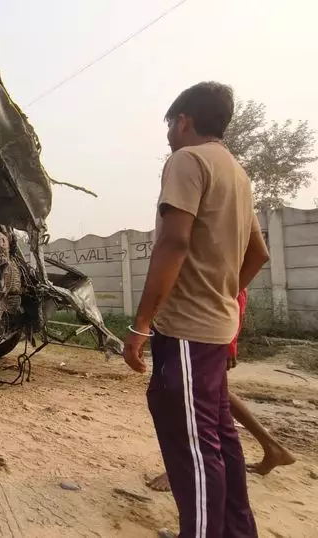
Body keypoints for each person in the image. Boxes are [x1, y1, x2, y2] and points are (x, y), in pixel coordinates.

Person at [123, 82, 271, 538]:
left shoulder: (187, 160)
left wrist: (142, 324)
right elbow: (258, 254)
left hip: (186, 329)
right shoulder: (237, 173)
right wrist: (225, 293)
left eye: (171, 123)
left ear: (183, 120)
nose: (169, 132)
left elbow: (174, 240)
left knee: (194, 447)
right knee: (219, 439)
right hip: (212, 327)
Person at [145, 288, 296, 492]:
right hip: (201, 315)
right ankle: (272, 447)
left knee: (187, 393)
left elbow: (234, 282)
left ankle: (183, 467)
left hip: (210, 318)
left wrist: (229, 343)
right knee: (213, 390)